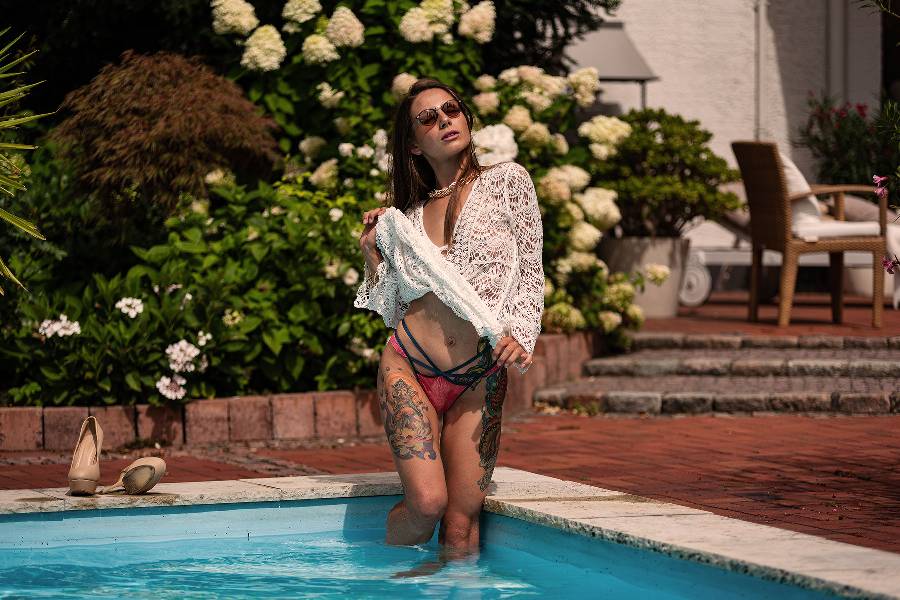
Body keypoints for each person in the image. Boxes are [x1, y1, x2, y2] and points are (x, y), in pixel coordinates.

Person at [355, 77, 544, 557]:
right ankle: (380, 587)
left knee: (461, 524)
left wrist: (522, 333)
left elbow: (530, 269)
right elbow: (393, 308)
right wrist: (376, 256)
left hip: (479, 376)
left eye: (452, 111)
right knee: (426, 503)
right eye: (428, 119)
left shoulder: (508, 182)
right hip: (409, 367)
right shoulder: (406, 217)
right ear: (414, 146)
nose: (444, 121)